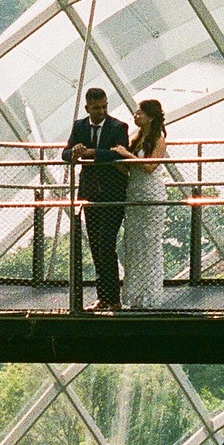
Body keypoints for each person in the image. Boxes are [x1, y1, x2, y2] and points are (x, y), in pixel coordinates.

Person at [61, 88, 130, 311]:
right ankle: (103, 297)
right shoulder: (79, 126)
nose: (101, 111)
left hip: (112, 195)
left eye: (104, 107)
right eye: (97, 108)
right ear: (87, 108)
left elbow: (119, 153)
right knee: (95, 245)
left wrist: (92, 153)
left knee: (106, 244)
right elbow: (65, 153)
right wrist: (74, 151)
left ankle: (113, 299)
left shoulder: (118, 127)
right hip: (90, 194)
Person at [114, 99, 167, 307]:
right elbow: (131, 167)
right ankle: (136, 295)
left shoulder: (158, 139)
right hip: (134, 192)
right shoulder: (137, 138)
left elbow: (150, 167)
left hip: (151, 193)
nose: (136, 116)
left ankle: (150, 296)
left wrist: (127, 155)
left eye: (140, 113)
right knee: (134, 243)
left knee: (149, 243)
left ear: (150, 117)